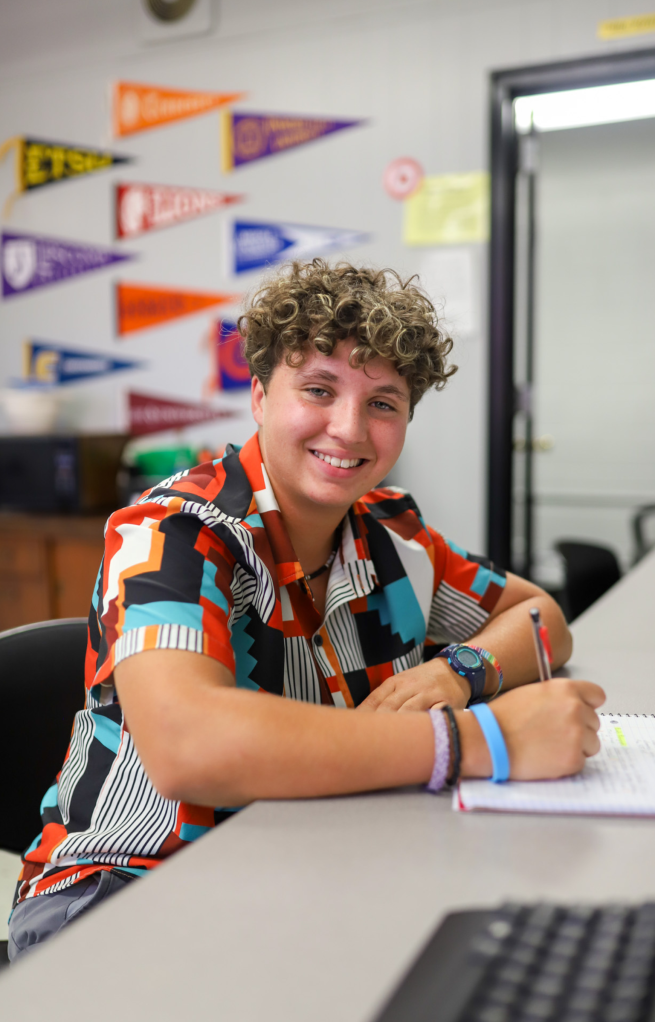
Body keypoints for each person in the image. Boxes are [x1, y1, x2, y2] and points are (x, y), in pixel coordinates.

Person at [8, 260, 604, 961]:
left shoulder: (394, 535)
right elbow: (187, 743)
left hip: (309, 862)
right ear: (259, 395)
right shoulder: (171, 531)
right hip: (123, 890)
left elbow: (539, 616)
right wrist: (478, 739)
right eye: (318, 389)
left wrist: (455, 675)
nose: (349, 429)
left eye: (383, 402)